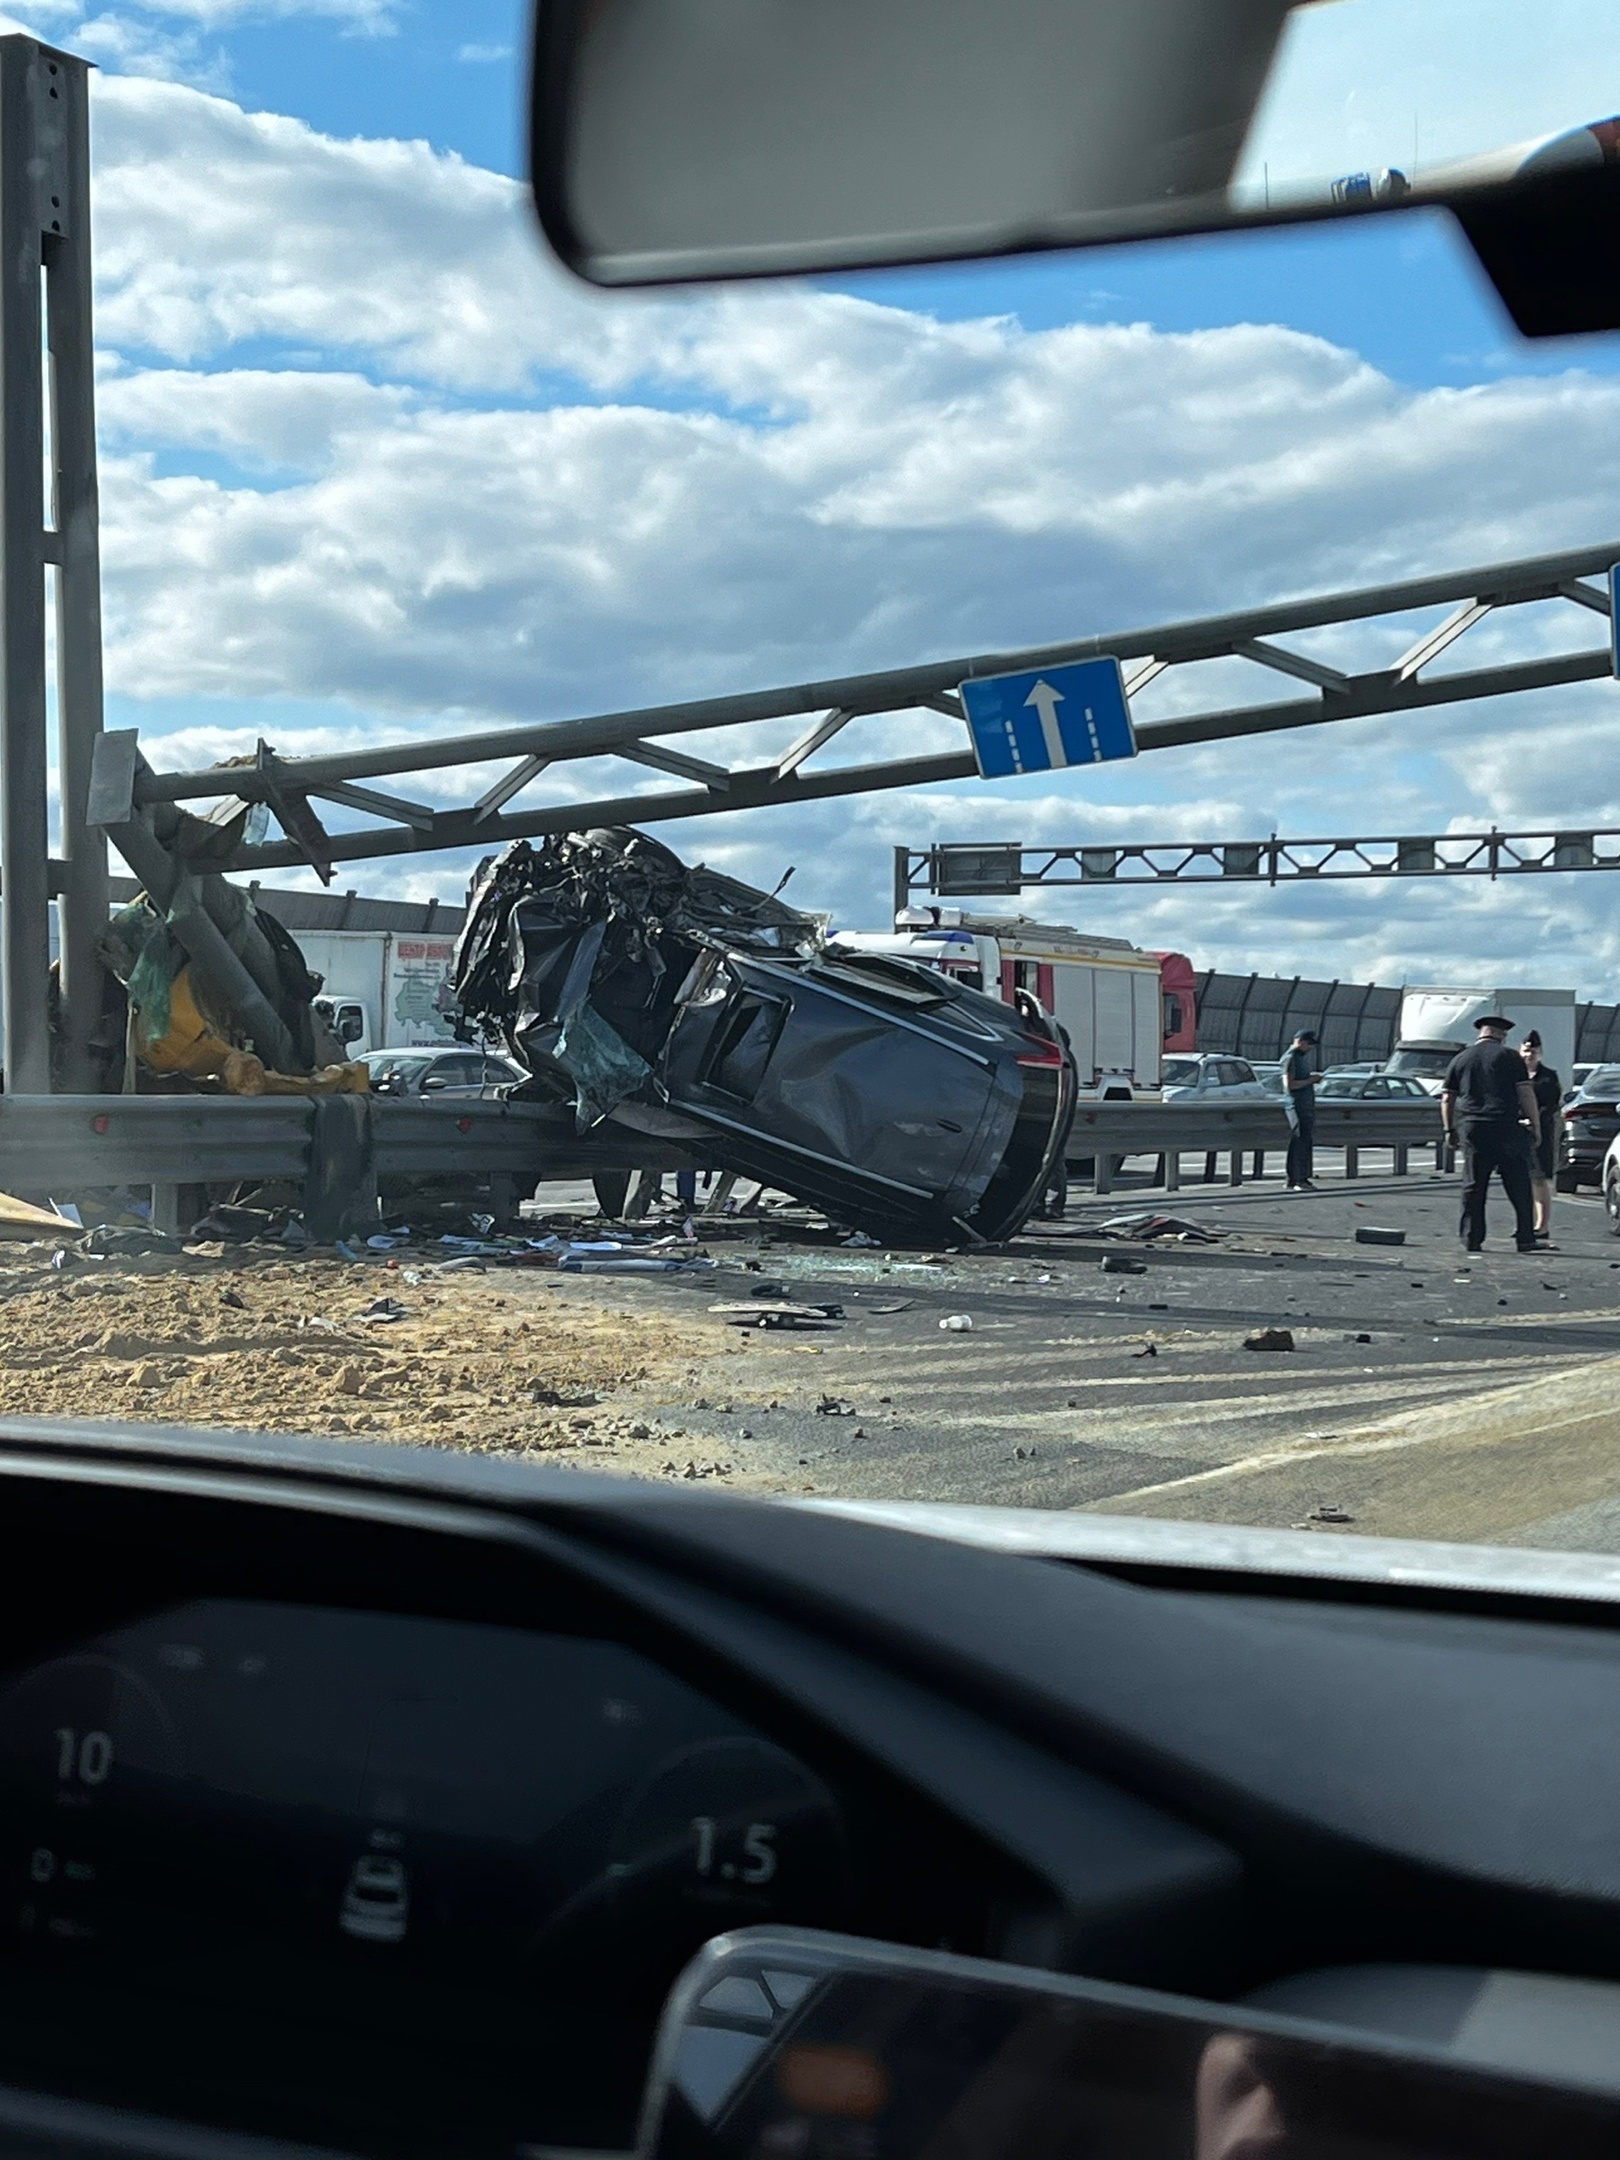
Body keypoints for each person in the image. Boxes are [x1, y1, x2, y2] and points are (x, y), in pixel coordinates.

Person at [1440, 1014, 1540, 1254]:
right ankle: (1525, 1238)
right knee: (1518, 1183)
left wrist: (1449, 1129)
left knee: (1474, 1184)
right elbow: (1525, 1093)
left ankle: (1471, 1238)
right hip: (1506, 1126)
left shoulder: (1460, 1059)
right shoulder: (1510, 1057)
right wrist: (1536, 1126)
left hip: (1473, 1127)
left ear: (1480, 1033)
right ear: (1501, 1034)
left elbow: (1447, 1097)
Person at [1519, 1029, 1562, 1244]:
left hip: (1540, 1134)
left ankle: (1542, 1226)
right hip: (1517, 1133)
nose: (1529, 1055)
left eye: (1533, 1052)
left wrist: (1533, 1122)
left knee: (1539, 1180)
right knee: (1522, 1180)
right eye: (1526, 1051)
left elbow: (1550, 1106)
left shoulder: (1548, 1077)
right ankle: (1526, 1225)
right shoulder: (1515, 1073)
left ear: (1540, 1053)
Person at [1282, 1028, 1318, 1191]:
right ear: (1301, 1042)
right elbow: (1290, 1085)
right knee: (1299, 1141)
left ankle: (1296, 1178)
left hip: (1304, 1105)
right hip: (1296, 1106)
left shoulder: (1300, 1058)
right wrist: (1311, 1080)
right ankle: (1298, 1179)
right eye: (1309, 1044)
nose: (1310, 1048)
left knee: (1303, 1141)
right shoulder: (1290, 1058)